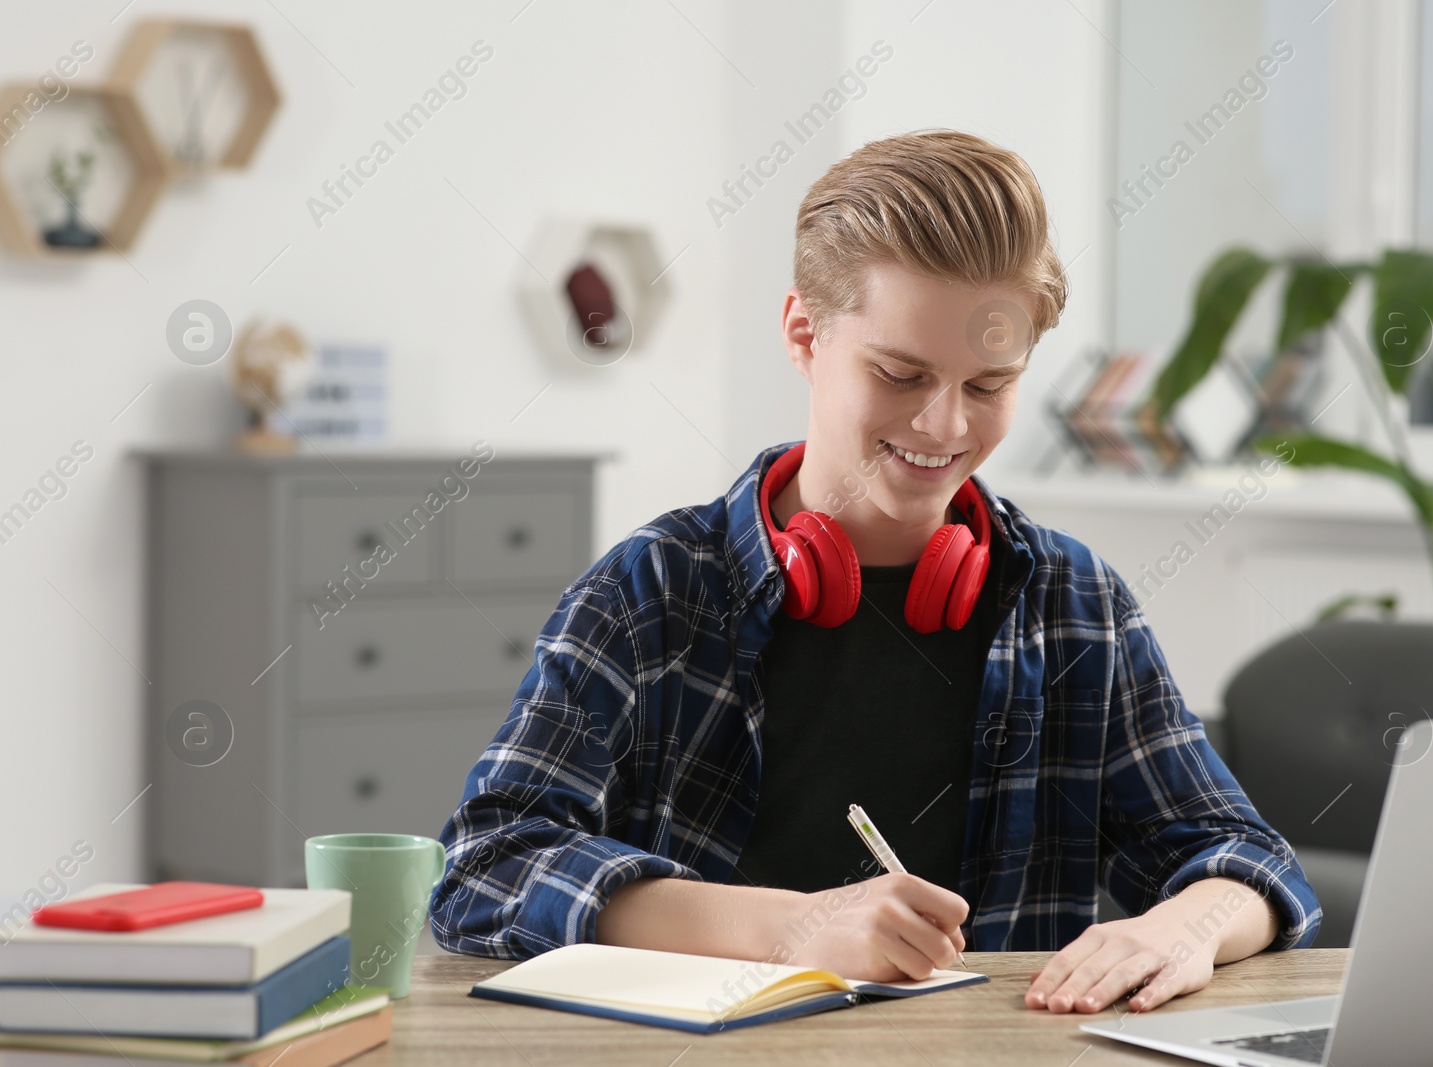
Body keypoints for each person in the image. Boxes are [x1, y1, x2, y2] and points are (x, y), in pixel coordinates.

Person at [430, 129, 1320, 1015]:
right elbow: (485, 867)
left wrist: (1186, 924)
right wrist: (793, 927)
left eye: (987, 386)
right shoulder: (651, 588)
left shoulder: (1072, 603)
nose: (942, 426)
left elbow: (1250, 859)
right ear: (804, 335)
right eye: (901, 374)